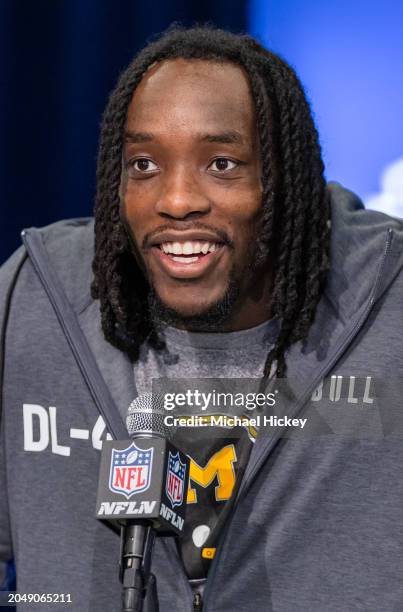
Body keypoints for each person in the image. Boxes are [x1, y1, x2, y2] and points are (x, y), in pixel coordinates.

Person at [1, 26, 402, 612]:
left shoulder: (390, 303)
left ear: (284, 180)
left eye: (221, 163)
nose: (177, 199)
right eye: (143, 163)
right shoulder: (35, 296)